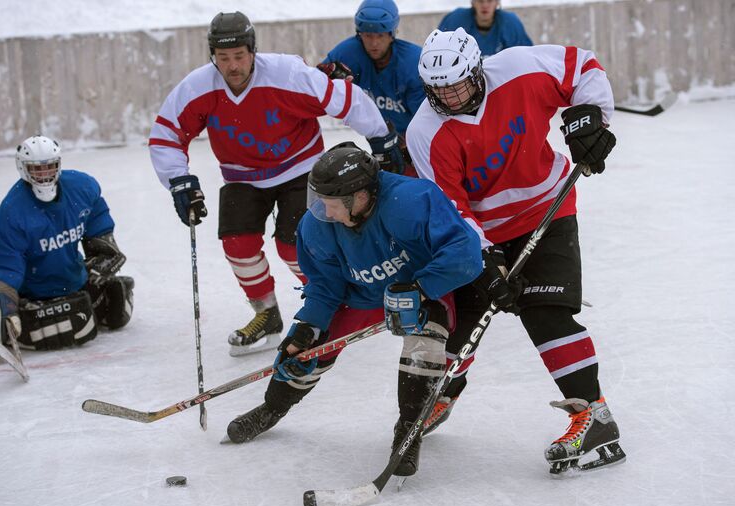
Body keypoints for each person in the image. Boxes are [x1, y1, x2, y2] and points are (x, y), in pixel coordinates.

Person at [406, 28, 623, 474]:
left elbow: (583, 65)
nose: (448, 96)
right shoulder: (424, 132)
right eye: (438, 89)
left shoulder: (521, 68)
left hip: (548, 206)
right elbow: (451, 208)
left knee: (545, 311)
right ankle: (441, 394)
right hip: (482, 230)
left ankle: (593, 417)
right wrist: (486, 259)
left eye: (458, 84)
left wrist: (591, 116)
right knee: (461, 315)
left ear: (479, 71)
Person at [149, 11, 404, 356]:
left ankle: (329, 304)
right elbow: (166, 135)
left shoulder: (286, 74)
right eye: (223, 58)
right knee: (237, 244)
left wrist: (380, 136)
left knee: (294, 244)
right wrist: (179, 180)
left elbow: (345, 98)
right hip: (242, 175)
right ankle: (267, 314)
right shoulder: (197, 87)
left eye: (239, 56)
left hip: (301, 168)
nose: (233, 66)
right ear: (213, 57)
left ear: (253, 51)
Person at [225, 143, 484, 477]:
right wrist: (309, 324)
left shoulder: (413, 199)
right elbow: (324, 284)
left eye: (332, 205)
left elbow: (465, 253)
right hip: (361, 295)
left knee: (426, 343)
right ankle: (272, 407)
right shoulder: (316, 225)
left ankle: (408, 431)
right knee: (308, 349)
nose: (325, 213)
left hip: (420, 289)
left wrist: (420, 289)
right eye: (320, 202)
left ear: (361, 196)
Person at [0, 135, 133, 360]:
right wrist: (7, 310)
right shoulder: (12, 212)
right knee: (76, 327)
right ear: (23, 168)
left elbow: (98, 220)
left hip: (74, 282)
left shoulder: (81, 188)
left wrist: (104, 255)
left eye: (50, 167)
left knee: (119, 309)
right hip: (34, 294)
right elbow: (5, 266)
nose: (45, 174)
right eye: (37, 169)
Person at [319, 0, 425, 176]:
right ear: (359, 34)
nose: (374, 43)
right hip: (379, 140)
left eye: (380, 35)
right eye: (368, 35)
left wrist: (406, 145)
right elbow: (314, 88)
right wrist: (325, 80)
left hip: (413, 139)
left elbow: (427, 120)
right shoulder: (349, 52)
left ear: (392, 35)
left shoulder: (411, 64)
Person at [438, 0, 532, 56]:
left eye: (490, 0)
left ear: (497, 2)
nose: (485, 5)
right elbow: (439, 52)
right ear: (473, 2)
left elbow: (525, 57)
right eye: (480, 0)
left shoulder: (511, 23)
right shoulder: (456, 20)